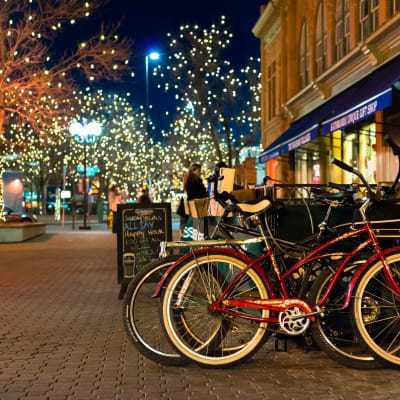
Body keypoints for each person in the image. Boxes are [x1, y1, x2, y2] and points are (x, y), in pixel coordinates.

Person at [179, 163, 207, 233]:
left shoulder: (188, 179)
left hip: (191, 205)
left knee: (191, 225)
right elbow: (198, 193)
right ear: (193, 171)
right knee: (196, 225)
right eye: (199, 171)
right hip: (196, 205)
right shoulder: (194, 181)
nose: (200, 173)